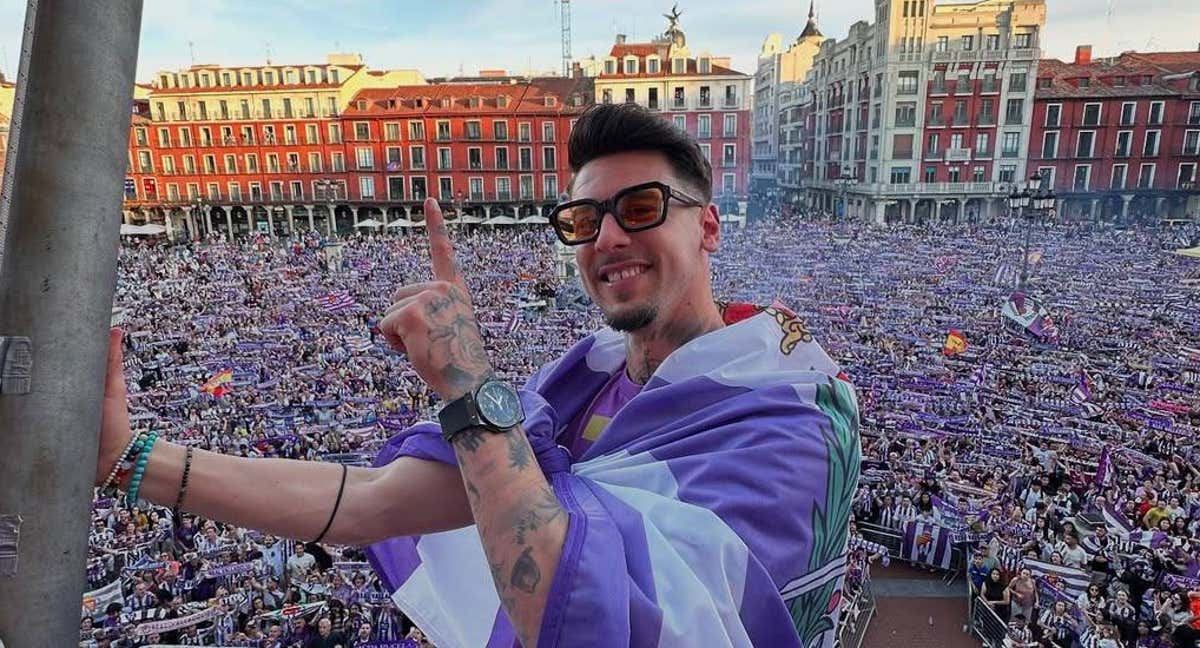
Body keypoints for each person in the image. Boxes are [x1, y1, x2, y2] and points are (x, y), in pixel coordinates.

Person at [96, 102, 860, 647]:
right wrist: (133, 462)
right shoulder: (577, 385)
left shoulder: (785, 411)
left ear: (710, 225)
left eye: (642, 206)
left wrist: (467, 387)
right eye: (584, 221)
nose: (610, 237)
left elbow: (597, 624)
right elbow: (372, 504)